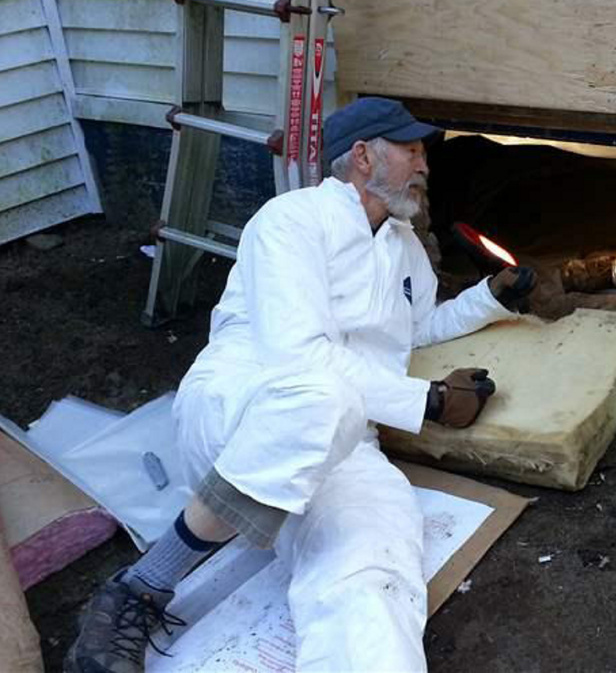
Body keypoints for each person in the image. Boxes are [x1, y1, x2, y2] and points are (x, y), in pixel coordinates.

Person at [66, 97, 536, 673]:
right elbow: (300, 360)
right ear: (363, 157)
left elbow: (414, 330)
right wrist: (428, 400)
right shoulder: (289, 220)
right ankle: (139, 588)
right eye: (411, 151)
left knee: (376, 568)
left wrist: (490, 297)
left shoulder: (405, 247)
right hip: (243, 408)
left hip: (344, 440)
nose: (425, 166)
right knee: (325, 396)